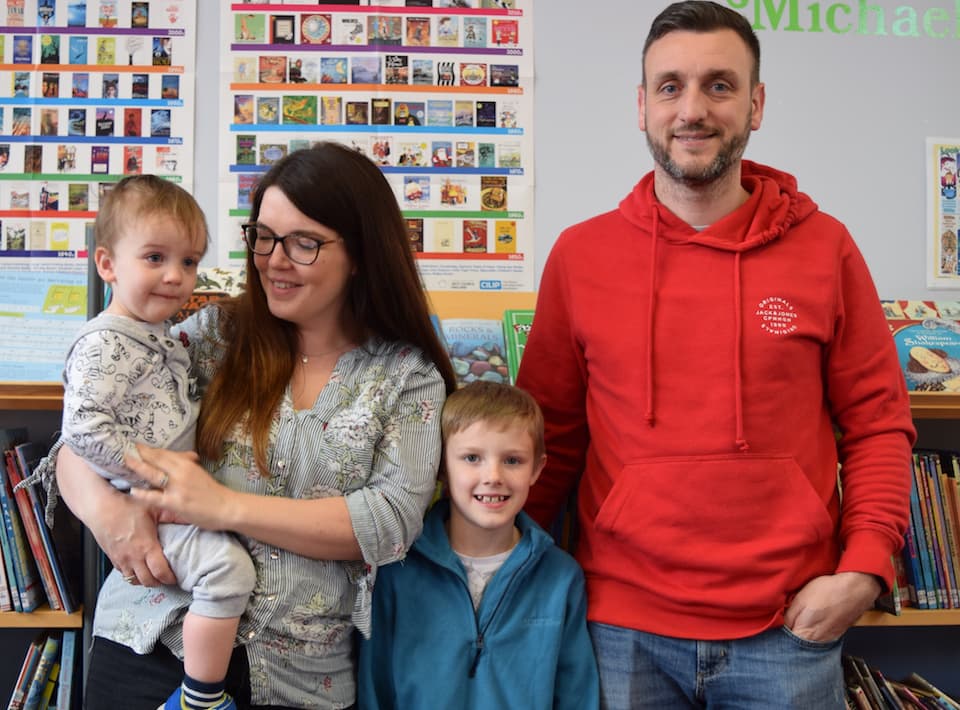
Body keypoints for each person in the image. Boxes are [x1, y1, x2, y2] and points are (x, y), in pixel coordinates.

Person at [515, 3, 916, 709]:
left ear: (756, 104)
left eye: (719, 85)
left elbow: (879, 423)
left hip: (788, 630)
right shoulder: (581, 258)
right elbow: (549, 441)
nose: (692, 109)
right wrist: (505, 578)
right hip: (620, 631)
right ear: (641, 106)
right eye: (670, 86)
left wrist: (864, 572)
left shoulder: (827, 249)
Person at [48, 142, 457, 710]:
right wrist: (106, 513)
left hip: (299, 677)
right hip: (152, 643)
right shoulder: (210, 337)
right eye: (262, 237)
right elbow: (80, 441)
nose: (274, 260)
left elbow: (389, 521)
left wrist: (222, 506)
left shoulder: (403, 376)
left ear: (362, 252)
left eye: (304, 243)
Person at [49, 174, 256, 710]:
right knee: (227, 572)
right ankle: (201, 698)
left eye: (189, 262)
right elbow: (83, 431)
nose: (175, 276)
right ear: (107, 265)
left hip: (167, 498)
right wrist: (158, 476)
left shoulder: (160, 335)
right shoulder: (105, 343)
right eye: (155, 258)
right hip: (152, 502)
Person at [356, 381, 599, 709]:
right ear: (441, 467)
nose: (493, 475)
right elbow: (375, 688)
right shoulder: (395, 571)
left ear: (537, 469)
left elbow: (576, 694)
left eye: (512, 460)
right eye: (472, 458)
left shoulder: (560, 577)